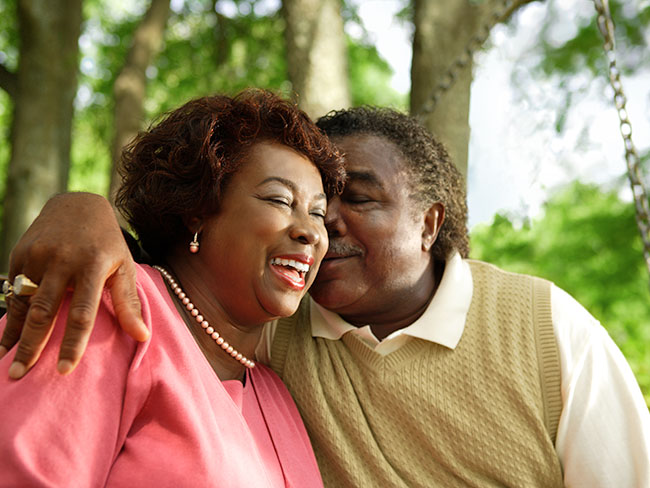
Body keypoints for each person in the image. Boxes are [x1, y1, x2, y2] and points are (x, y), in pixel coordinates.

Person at [3, 106, 650, 487]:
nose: (318, 227)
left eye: (351, 199)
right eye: (289, 202)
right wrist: (80, 209)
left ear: (429, 223)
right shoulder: (126, 310)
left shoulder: (542, 327)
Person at [0, 89, 347, 486]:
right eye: (278, 199)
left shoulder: (277, 396)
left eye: (318, 212)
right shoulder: (113, 311)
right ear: (197, 211)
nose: (310, 233)